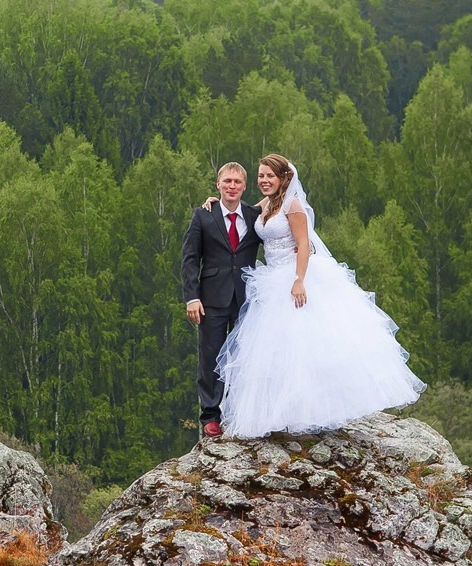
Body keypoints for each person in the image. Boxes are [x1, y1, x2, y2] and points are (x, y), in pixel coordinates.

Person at [211, 154, 426, 438]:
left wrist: (299, 280)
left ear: (283, 178)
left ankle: (310, 413)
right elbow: (240, 210)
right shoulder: (266, 205)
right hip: (271, 279)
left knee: (304, 348)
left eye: (269, 176)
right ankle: (281, 413)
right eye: (261, 176)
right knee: (275, 352)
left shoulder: (293, 205)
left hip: (294, 277)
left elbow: (303, 243)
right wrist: (214, 204)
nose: (263, 181)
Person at [182, 161, 263, 437]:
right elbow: (191, 259)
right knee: (211, 356)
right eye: (227, 181)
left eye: (237, 182)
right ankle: (211, 415)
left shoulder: (254, 216)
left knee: (243, 357)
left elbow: (280, 208)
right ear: (218, 184)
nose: (232, 186)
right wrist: (192, 297)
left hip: (245, 299)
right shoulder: (203, 216)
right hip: (211, 298)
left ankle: (239, 410)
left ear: (244, 186)